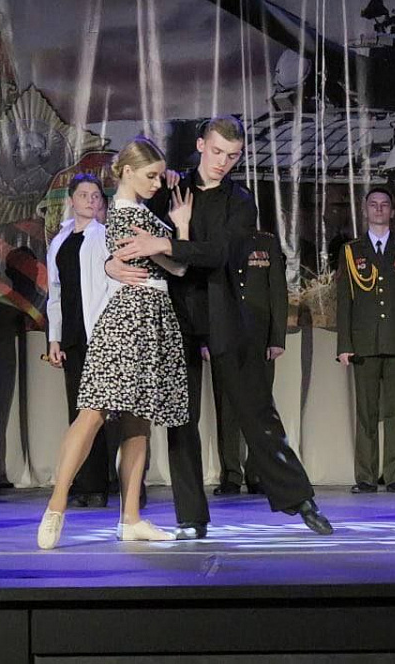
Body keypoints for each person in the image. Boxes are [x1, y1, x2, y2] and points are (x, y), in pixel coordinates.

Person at [110, 116, 332, 536]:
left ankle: (299, 499)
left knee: (255, 409)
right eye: (216, 152)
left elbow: (218, 253)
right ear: (200, 145)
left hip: (225, 314)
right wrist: (112, 263)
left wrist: (166, 243)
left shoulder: (240, 200)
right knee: (182, 419)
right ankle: (191, 517)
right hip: (175, 316)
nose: (222, 162)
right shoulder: (171, 188)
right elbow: (131, 235)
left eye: (232, 156)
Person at [37, 137, 192, 549]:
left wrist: (173, 234)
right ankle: (56, 506)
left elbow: (175, 266)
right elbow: (177, 262)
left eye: (159, 176)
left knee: (138, 421)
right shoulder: (127, 216)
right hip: (129, 319)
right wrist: (178, 230)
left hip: (151, 315)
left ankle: (131, 518)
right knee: (92, 413)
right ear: (127, 172)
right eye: (150, 176)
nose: (157, 183)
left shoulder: (136, 213)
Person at [336, 187, 395, 494]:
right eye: (373, 205)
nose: (379, 209)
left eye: (384, 205)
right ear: (365, 210)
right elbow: (344, 301)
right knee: (366, 412)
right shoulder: (351, 251)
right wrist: (344, 345)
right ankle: (366, 476)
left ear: (392, 211)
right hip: (364, 343)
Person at [44, 173, 114, 508]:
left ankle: (100, 484)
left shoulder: (103, 237)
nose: (90, 200)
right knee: (78, 410)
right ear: (71, 200)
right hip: (71, 335)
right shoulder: (59, 241)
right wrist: (54, 339)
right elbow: (55, 294)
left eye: (95, 195)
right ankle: (84, 482)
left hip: (97, 333)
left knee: (99, 411)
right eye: (83, 195)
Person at [209, 228, 288, 496]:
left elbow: (277, 291)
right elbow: (210, 292)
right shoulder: (217, 241)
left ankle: (257, 472)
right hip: (224, 336)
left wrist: (277, 338)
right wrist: (207, 338)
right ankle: (231, 474)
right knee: (227, 407)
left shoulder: (265, 243)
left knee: (259, 407)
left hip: (259, 338)